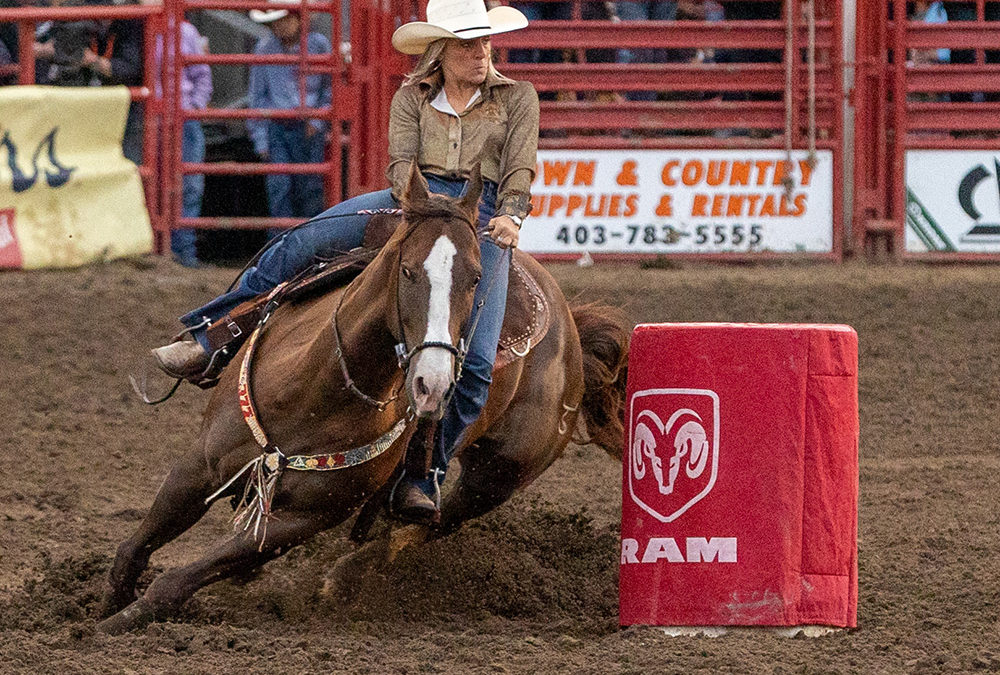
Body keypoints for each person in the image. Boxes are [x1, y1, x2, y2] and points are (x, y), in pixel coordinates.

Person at [150, 0, 538, 526]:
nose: (481, 52)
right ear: (441, 51)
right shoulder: (411, 96)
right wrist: (417, 207)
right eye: (468, 44)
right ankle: (210, 336)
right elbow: (401, 162)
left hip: (481, 214)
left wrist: (512, 215)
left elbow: (519, 169)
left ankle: (425, 473)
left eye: (485, 42)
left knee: (476, 364)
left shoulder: (517, 98)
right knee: (299, 243)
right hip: (414, 201)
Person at [247, 0, 332, 235]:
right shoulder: (264, 48)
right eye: (276, 21)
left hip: (309, 126)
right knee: (280, 186)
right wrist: (261, 139)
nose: (280, 26)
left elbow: (330, 90)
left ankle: (311, 244)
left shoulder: (318, 45)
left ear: (299, 19)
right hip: (277, 126)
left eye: (285, 19)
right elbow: (257, 96)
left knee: (311, 187)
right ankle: (280, 246)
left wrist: (317, 121)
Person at [168, 20, 213, 267]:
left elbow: (202, 74)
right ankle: (177, 251)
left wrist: (194, 106)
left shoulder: (185, 31)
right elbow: (203, 74)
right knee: (181, 183)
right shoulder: (183, 30)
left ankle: (183, 251)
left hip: (181, 116)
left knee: (189, 186)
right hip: (158, 117)